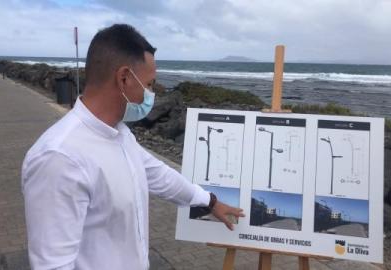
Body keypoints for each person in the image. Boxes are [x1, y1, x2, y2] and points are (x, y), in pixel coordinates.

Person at [21, 24, 244, 270]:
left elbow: (158, 174)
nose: (151, 94)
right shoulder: (59, 158)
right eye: (149, 84)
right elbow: (53, 265)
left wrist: (210, 202)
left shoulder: (120, 133)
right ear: (124, 78)